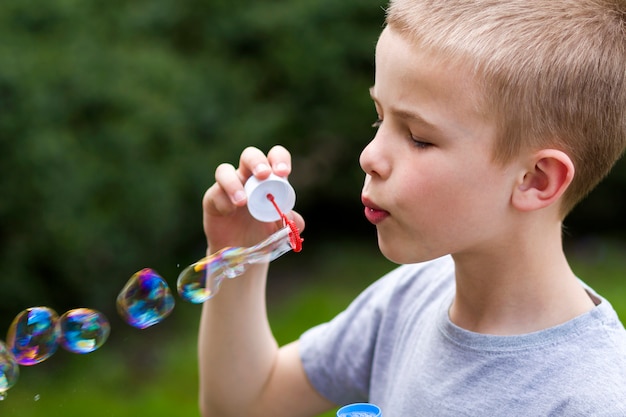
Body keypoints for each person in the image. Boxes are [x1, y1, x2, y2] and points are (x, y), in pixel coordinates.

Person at [197, 0, 626, 416]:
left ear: (535, 179)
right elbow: (246, 404)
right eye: (378, 118)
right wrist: (241, 255)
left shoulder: (593, 400)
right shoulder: (407, 300)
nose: (369, 156)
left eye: (418, 137)